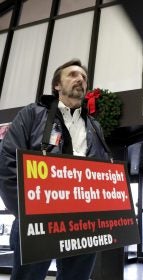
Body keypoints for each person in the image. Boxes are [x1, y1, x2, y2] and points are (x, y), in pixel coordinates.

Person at [0, 59, 110, 280]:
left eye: (84, 77)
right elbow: (7, 161)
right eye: (72, 75)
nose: (80, 79)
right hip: (37, 221)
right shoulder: (33, 114)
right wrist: (25, 212)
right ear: (57, 85)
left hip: (85, 222)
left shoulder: (94, 127)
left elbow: (104, 170)